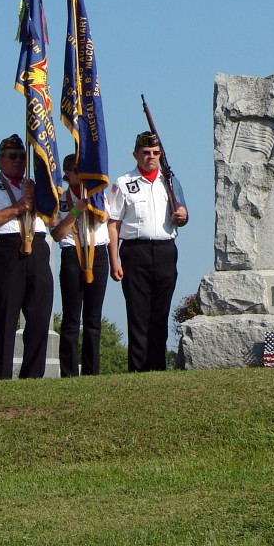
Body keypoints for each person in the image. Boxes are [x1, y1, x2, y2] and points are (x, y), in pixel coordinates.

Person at [0, 134, 55, 380]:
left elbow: (54, 218)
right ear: (0, 160)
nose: (18, 160)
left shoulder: (36, 185)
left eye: (22, 156)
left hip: (37, 247)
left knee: (40, 315)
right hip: (5, 249)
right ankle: (0, 376)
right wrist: (17, 208)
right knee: (5, 316)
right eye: (12, 156)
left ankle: (33, 375)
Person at [107, 131, 188, 372]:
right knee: (138, 313)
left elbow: (182, 214)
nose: (150, 157)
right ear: (136, 154)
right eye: (145, 153)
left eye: (155, 153)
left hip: (165, 250)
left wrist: (182, 216)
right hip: (135, 251)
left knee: (160, 313)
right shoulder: (124, 183)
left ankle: (157, 367)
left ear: (160, 154)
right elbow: (113, 223)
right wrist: (114, 259)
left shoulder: (170, 181)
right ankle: (138, 369)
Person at [51, 153, 110, 376]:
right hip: (71, 254)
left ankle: (91, 371)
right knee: (71, 318)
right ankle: (68, 372)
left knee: (93, 319)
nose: (81, 175)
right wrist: (76, 210)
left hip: (98, 253)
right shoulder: (60, 199)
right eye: (77, 171)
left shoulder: (98, 193)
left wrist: (90, 202)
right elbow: (57, 233)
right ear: (68, 173)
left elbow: (103, 218)